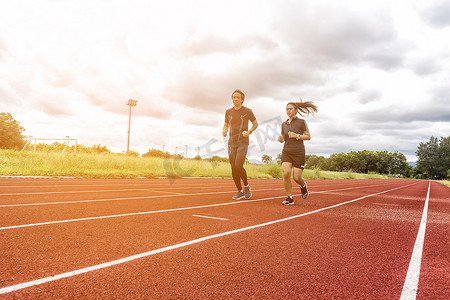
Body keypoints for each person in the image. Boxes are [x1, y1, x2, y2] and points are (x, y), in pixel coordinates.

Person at [277, 100, 317, 205]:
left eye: (290, 109)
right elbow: (283, 137)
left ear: (296, 110)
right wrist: (281, 138)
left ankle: (303, 185)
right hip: (286, 151)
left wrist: (297, 136)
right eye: (287, 109)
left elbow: (308, 137)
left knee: (296, 177)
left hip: (298, 152)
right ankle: (289, 197)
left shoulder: (301, 122)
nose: (288, 111)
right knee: (286, 174)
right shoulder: (284, 124)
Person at [223, 89, 258, 199]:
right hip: (231, 143)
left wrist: (249, 132)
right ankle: (239, 190)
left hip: (243, 142)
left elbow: (255, 123)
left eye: (238, 97)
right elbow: (226, 124)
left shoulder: (247, 111)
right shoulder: (228, 112)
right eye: (234, 97)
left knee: (238, 165)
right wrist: (224, 130)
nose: (235, 99)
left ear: (242, 99)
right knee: (233, 168)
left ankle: (246, 186)